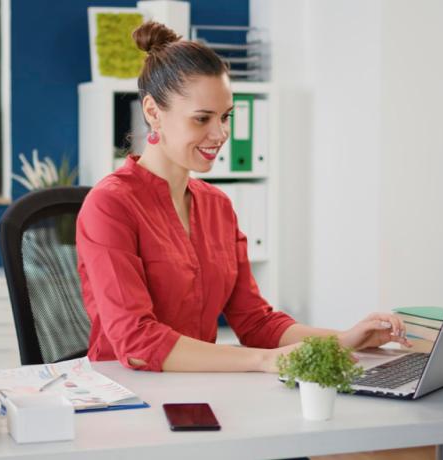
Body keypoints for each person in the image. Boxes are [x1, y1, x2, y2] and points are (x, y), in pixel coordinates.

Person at [76, 21, 410, 373]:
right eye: (202, 118)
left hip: (199, 389)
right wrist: (265, 361)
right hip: (129, 396)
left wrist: (344, 338)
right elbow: (138, 345)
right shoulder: (110, 205)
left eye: (225, 116)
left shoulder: (217, 206)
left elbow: (255, 322)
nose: (220, 134)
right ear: (153, 112)